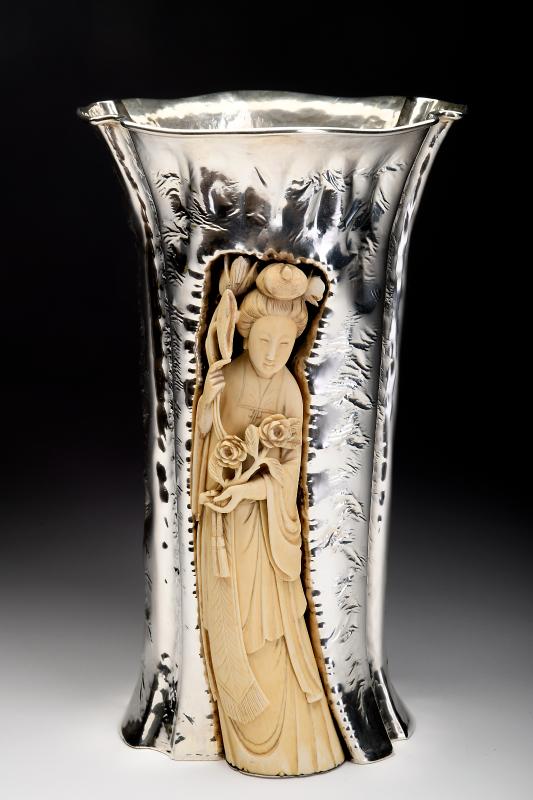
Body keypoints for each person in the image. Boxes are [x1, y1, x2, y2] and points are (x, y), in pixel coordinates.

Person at [191, 263, 344, 776]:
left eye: (285, 345)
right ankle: (241, 725)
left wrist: (251, 488)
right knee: (236, 617)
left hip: (266, 523)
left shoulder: (289, 392)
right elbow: (204, 454)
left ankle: (295, 733)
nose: (274, 355)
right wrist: (208, 409)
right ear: (245, 334)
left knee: (274, 625)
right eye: (263, 342)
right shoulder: (226, 379)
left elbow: (287, 475)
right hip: (227, 528)